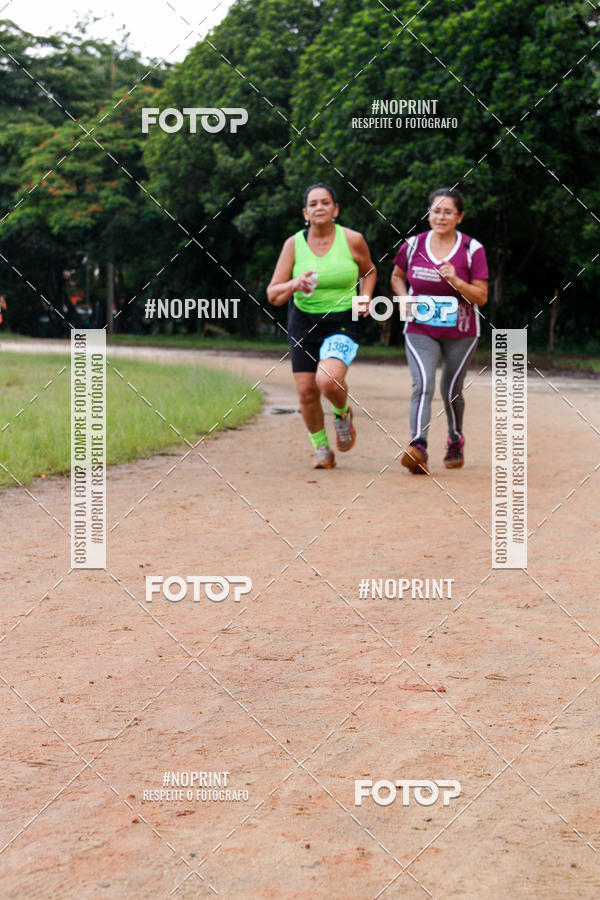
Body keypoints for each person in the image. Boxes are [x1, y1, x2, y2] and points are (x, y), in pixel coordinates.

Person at [267, 183, 376, 468]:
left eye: (325, 203)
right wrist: (295, 283)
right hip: (304, 322)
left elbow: (369, 270)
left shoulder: (352, 239)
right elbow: (273, 294)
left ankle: (342, 413)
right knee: (306, 392)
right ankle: (322, 450)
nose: (319, 208)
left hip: (343, 320)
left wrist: (365, 297)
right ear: (305, 213)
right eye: (313, 204)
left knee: (327, 380)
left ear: (335, 210)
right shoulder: (293, 244)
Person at [391, 188, 488, 473]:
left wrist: (457, 281)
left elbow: (481, 297)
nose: (441, 217)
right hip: (420, 327)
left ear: (460, 217)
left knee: (451, 390)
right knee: (423, 384)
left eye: (448, 212)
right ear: (428, 213)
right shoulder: (412, 245)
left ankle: (455, 439)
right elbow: (396, 276)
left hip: (462, 331)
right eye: (436, 211)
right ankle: (418, 447)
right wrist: (403, 298)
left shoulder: (472, 249)